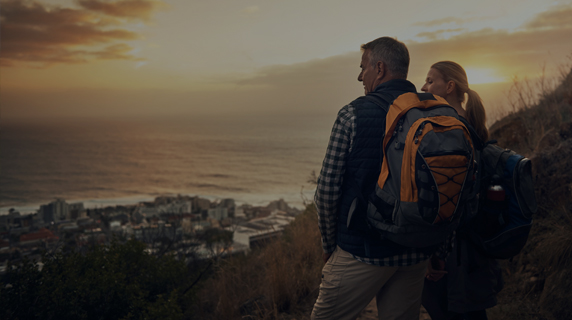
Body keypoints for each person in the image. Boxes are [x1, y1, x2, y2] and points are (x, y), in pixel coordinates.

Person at [311, 37, 449, 320]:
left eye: (363, 67)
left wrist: (329, 246)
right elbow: (449, 184)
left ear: (380, 68)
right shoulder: (438, 112)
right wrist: (437, 247)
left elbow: (326, 191)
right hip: (416, 252)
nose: (360, 75)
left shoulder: (353, 114)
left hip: (363, 251)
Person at [420, 61, 503, 320]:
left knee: (450, 310)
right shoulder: (472, 124)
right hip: (476, 242)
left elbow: (446, 197)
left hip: (455, 249)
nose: (424, 86)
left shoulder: (448, 129)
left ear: (450, 86)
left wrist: (433, 253)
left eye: (431, 80)